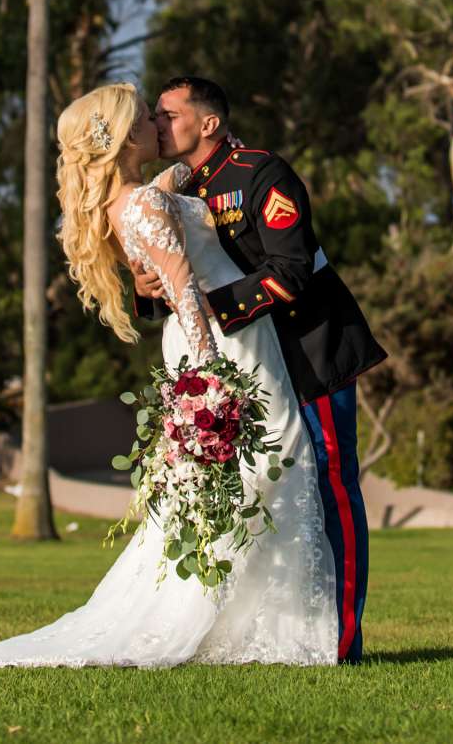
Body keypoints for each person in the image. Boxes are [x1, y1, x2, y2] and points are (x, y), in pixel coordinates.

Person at [0, 83, 343, 668]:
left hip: (230, 338)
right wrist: (212, 376)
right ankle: (253, 627)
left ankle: (258, 626)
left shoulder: (153, 191)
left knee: (251, 477)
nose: (155, 122)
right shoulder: (142, 201)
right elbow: (182, 288)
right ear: (121, 135)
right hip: (220, 344)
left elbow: (189, 216)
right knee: (263, 468)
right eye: (147, 116)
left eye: (164, 114)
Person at [138, 74, 385, 663]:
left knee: (331, 487)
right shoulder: (170, 189)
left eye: (169, 115)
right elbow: (171, 281)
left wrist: (206, 305)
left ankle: (344, 641)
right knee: (258, 495)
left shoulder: (260, 174)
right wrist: (151, 291)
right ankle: (263, 634)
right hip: (240, 364)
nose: (158, 124)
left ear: (209, 124)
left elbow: (291, 271)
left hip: (307, 349)